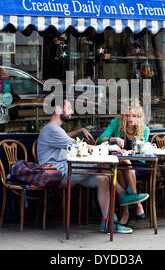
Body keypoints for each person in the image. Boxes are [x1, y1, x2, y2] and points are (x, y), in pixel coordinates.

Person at [37, 99, 149, 234]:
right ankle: (122, 194)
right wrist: (106, 148)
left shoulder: (54, 129)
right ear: (59, 109)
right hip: (59, 172)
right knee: (101, 162)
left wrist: (80, 131)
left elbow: (69, 138)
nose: (72, 111)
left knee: (104, 179)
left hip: (67, 168)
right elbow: (79, 146)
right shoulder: (52, 130)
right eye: (69, 107)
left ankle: (108, 223)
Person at [96, 101, 150, 226]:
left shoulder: (144, 129)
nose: (130, 118)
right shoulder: (116, 123)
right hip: (120, 163)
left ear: (139, 117)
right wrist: (114, 139)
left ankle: (126, 212)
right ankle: (136, 203)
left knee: (121, 170)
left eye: (134, 116)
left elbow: (141, 152)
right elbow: (100, 140)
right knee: (120, 169)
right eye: (127, 115)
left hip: (137, 164)